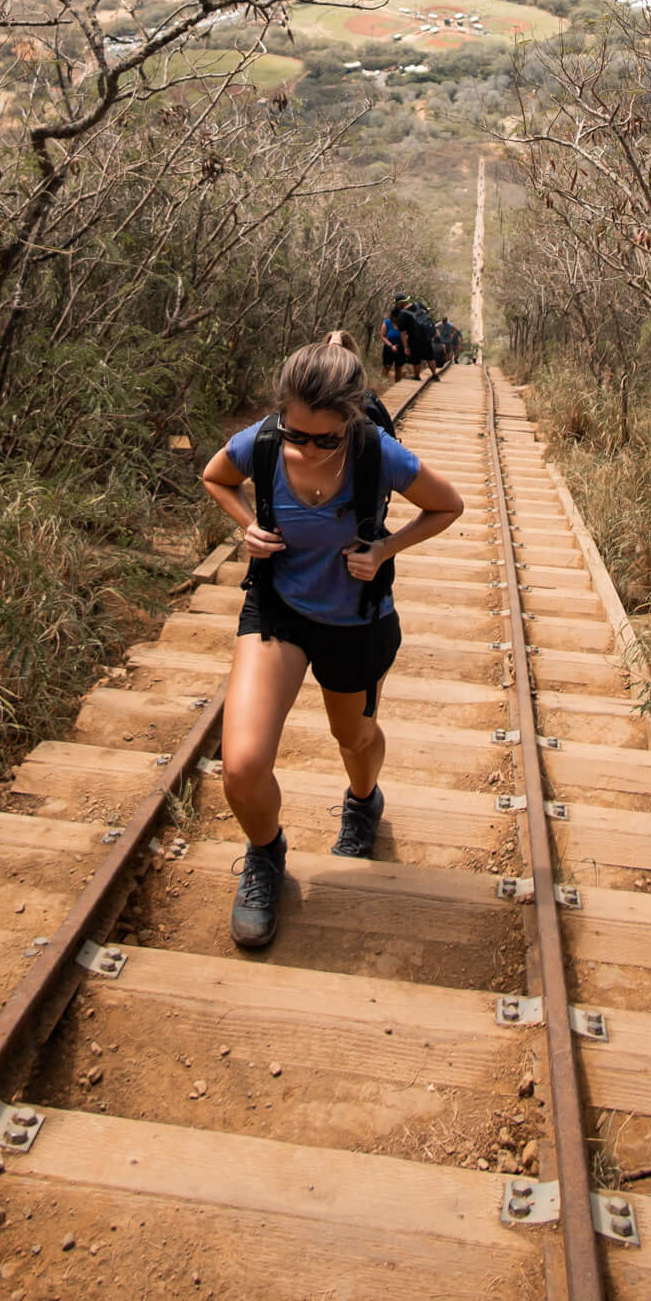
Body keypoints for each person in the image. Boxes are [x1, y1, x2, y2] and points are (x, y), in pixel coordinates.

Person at [200, 341, 465, 950]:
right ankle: (266, 857)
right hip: (278, 610)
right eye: (297, 434)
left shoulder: (379, 453)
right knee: (241, 767)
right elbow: (216, 476)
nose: (307, 449)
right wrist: (250, 527)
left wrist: (383, 549)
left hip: (356, 618)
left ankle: (364, 800)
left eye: (326, 440)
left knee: (354, 738)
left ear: (352, 419)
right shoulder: (262, 443)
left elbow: (447, 505)